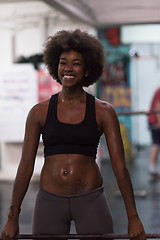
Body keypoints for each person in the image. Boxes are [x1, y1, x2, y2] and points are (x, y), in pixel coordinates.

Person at [0, 29, 145, 240]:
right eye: (63, 62)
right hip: (49, 201)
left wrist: (133, 217)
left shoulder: (103, 111)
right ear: (55, 66)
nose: (68, 68)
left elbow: (119, 166)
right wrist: (12, 216)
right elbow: (25, 166)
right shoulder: (38, 112)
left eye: (76, 63)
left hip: (90, 200)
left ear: (87, 70)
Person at [148, 87, 160, 181]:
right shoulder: (159, 91)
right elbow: (158, 109)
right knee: (156, 144)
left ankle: (153, 171)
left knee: (156, 144)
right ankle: (152, 171)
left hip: (155, 121)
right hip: (155, 122)